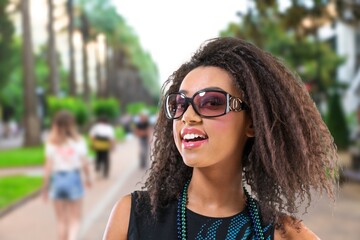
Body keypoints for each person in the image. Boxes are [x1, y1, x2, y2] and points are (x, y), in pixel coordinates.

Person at [103, 37, 338, 239]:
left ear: (252, 123)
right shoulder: (132, 216)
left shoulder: (285, 234)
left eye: (212, 102)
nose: (188, 116)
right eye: (180, 104)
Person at [42, 110, 91, 240]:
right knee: (75, 220)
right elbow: (85, 163)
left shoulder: (51, 142)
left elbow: (48, 167)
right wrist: (88, 179)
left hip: (57, 180)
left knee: (61, 221)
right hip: (73, 178)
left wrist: (45, 187)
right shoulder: (79, 141)